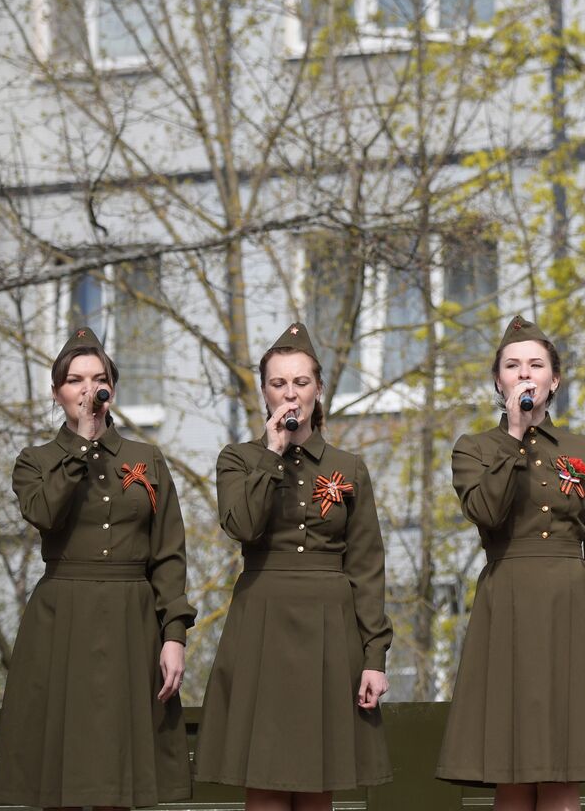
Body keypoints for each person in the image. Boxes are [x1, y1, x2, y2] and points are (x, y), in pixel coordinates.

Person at [0, 325, 196, 809]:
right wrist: (82, 443)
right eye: (75, 380)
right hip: (62, 622)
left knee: (118, 780)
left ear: (112, 387)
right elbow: (44, 513)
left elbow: (169, 553)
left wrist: (174, 635)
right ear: (57, 392)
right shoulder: (35, 461)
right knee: (59, 777)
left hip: (132, 623)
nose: (88, 389)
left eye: (98, 378)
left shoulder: (147, 458)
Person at [437, 315, 585, 811]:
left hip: (572, 611)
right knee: (513, 771)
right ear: (498, 380)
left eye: (536, 365)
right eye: (513, 365)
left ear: (555, 380)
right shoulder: (475, 449)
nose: (525, 374)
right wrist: (515, 437)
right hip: (510, 611)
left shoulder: (584, 451)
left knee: (564, 772)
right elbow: (486, 512)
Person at [196, 323, 392, 810]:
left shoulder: (348, 467)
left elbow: (367, 566)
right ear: (264, 391)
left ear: (319, 389)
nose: (290, 394)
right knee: (262, 775)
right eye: (278, 383)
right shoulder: (238, 459)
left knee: (317, 779)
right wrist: (273, 452)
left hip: (331, 628)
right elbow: (242, 526)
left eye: (301, 383)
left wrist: (374, 657)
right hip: (262, 622)